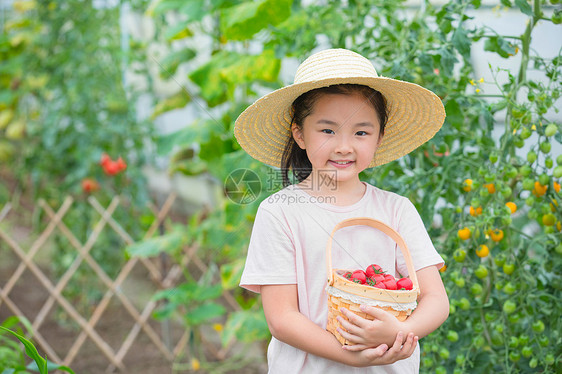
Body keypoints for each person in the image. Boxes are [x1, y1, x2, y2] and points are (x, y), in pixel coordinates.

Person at [234, 48, 449, 373]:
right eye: (327, 130)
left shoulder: (396, 211)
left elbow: (436, 299)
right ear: (299, 134)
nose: (344, 146)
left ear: (379, 137)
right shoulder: (280, 214)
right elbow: (281, 319)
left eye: (361, 132)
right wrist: (351, 356)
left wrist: (403, 331)